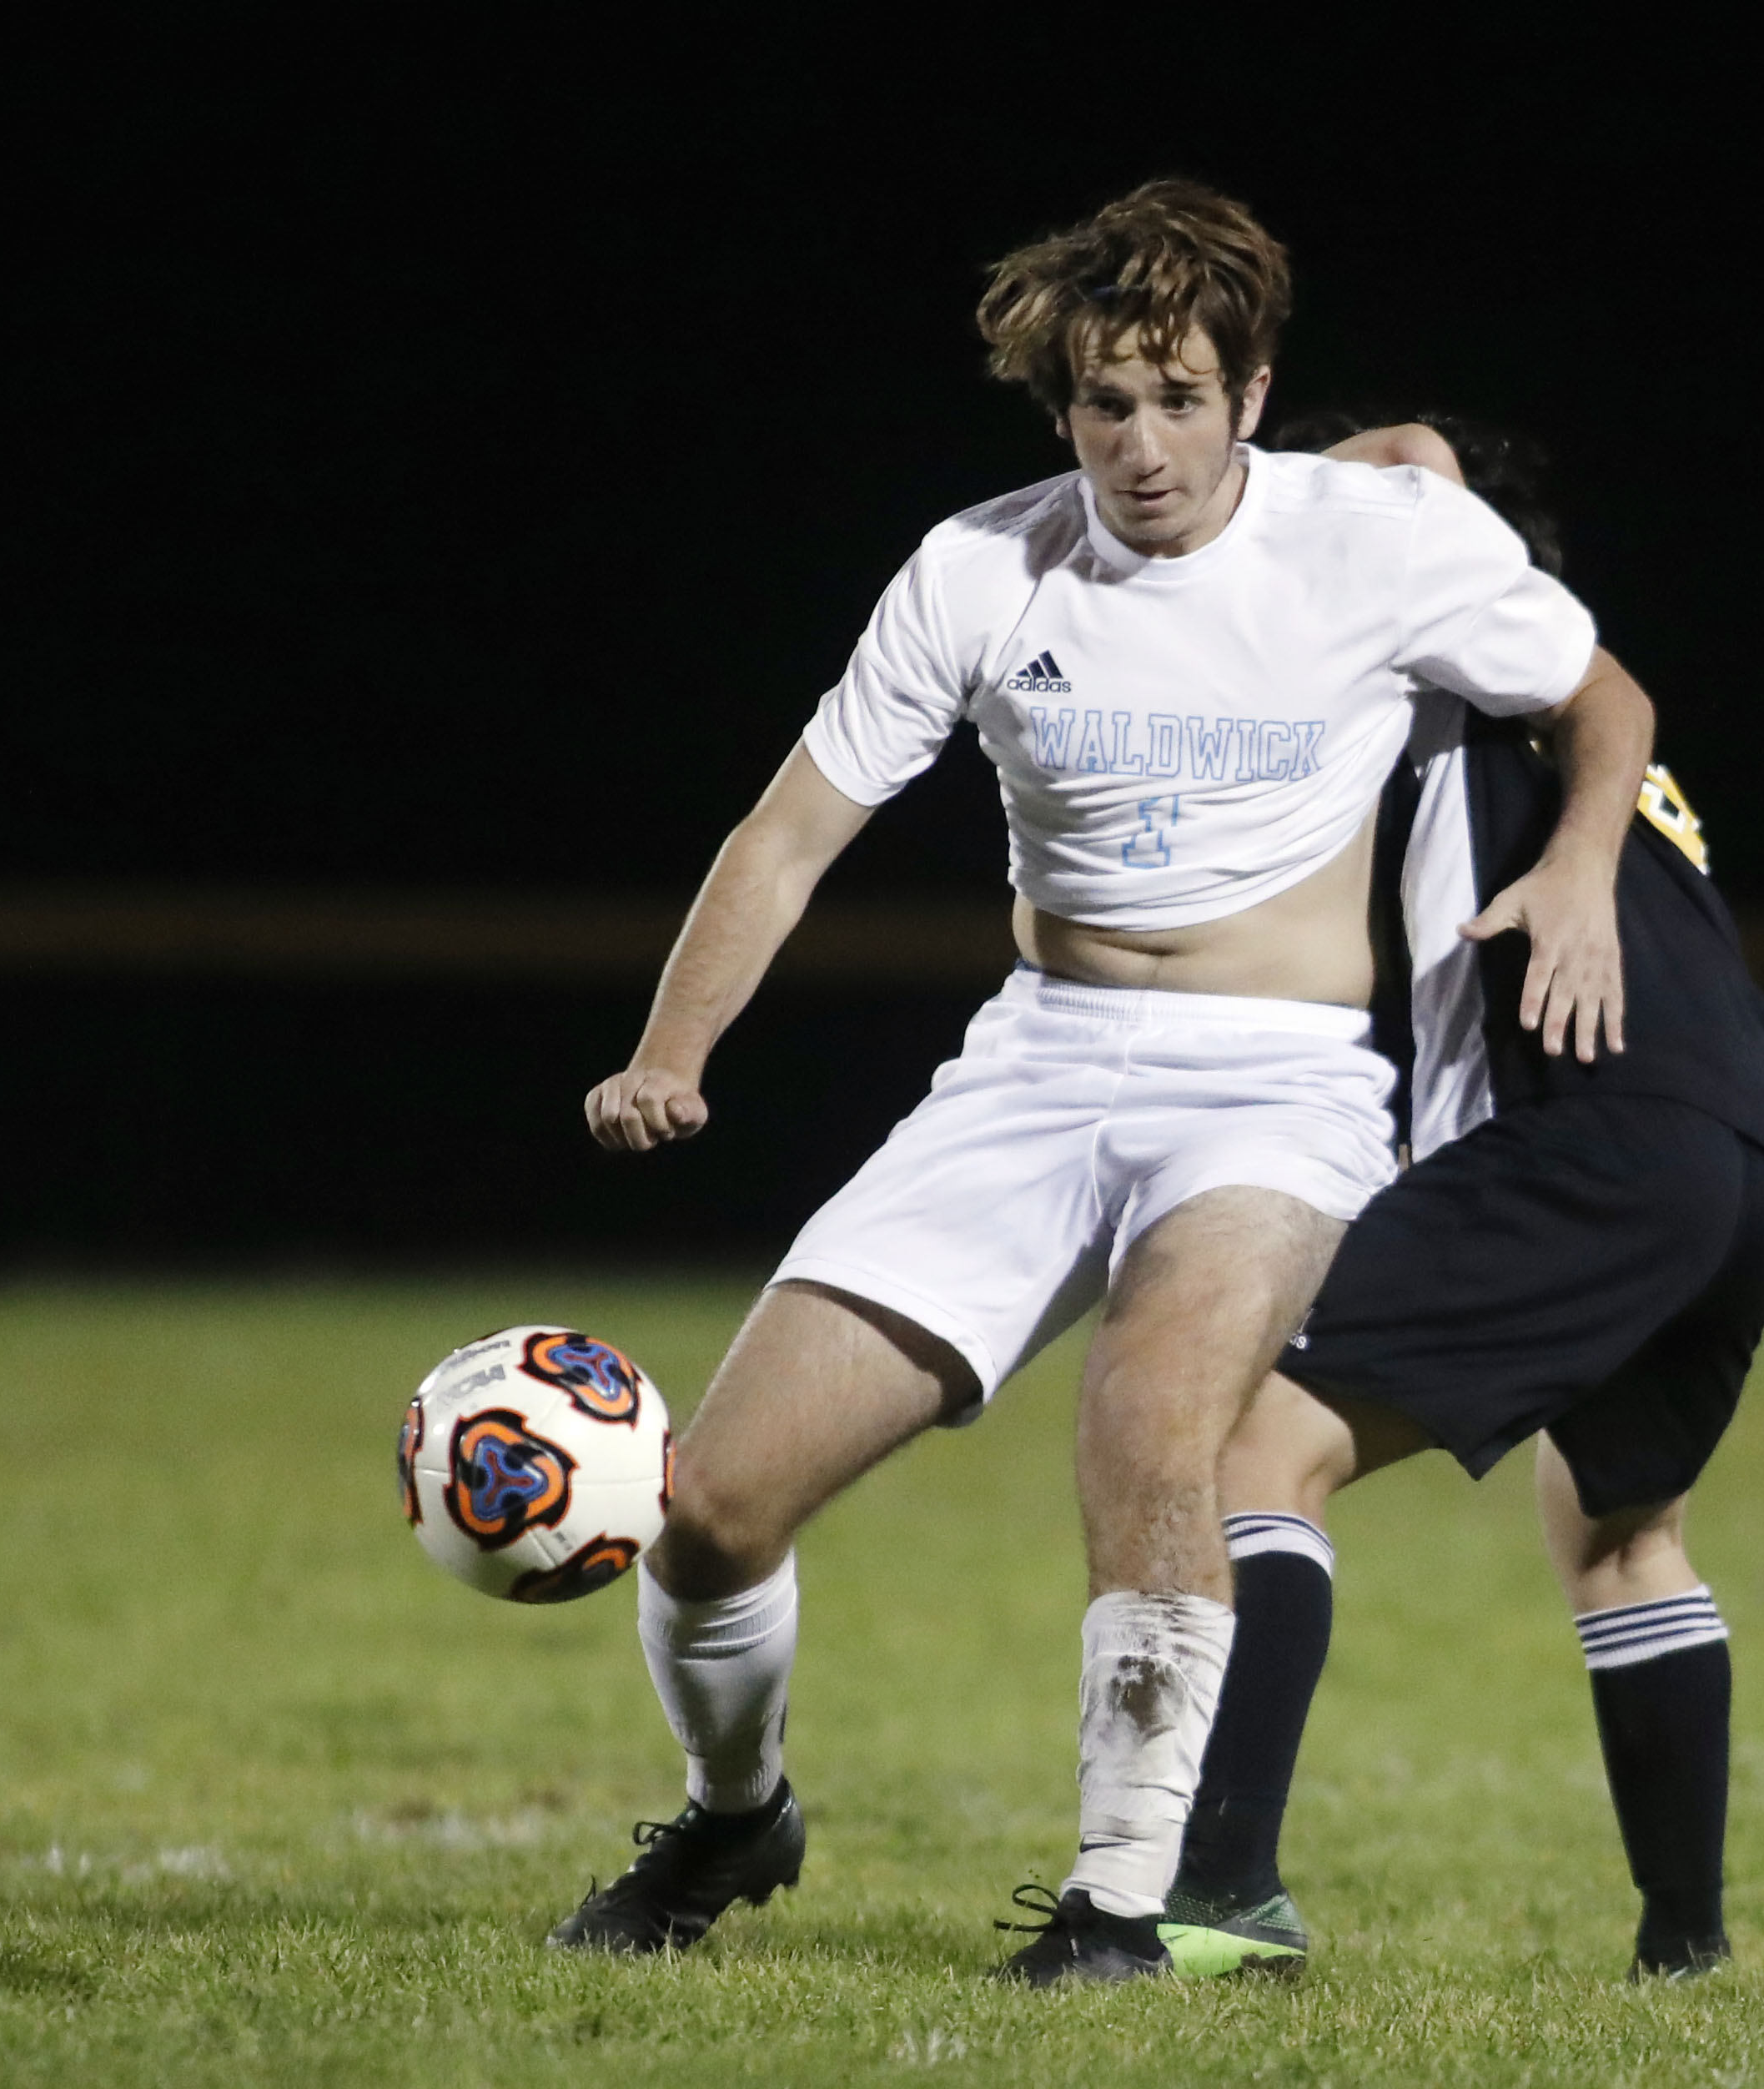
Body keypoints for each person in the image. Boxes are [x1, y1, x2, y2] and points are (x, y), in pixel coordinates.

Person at [544, 182, 1656, 1985]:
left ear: (1252, 387)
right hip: (1035, 1063)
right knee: (704, 1508)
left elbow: (1598, 694)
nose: (1140, 448)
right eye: (1102, 406)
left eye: (1180, 400)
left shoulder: (1370, 540)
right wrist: (665, 1054)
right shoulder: (980, 567)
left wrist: (1588, 858)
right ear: (1056, 403)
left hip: (1273, 1086)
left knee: (1148, 1428)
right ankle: (733, 1813)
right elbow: (786, 835)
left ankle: (1119, 1904)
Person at [1154, 415, 1764, 1983]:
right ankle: (1686, 1953)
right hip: (1751, 1160)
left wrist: (1279, 484)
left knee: (1257, 1446)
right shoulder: (1608, 764)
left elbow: (1423, 458)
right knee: (1626, 1533)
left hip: (1601, 1133)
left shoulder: (1462, 646)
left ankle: (1222, 1892)